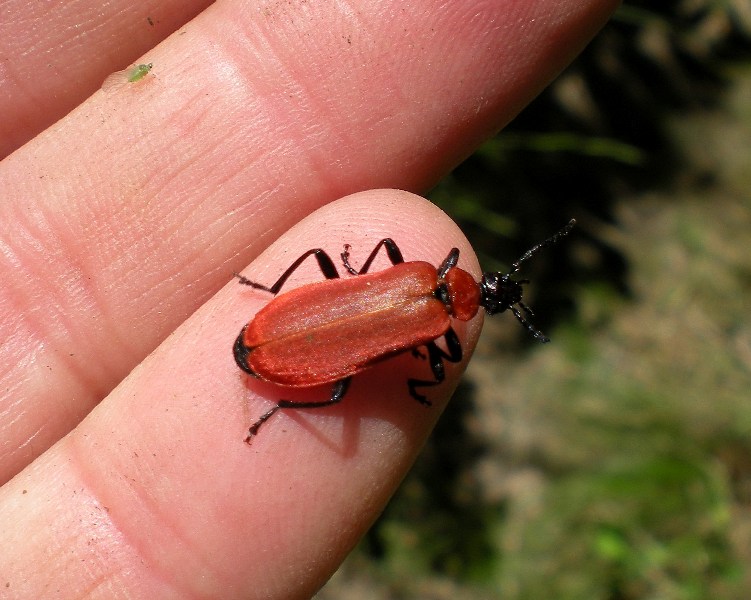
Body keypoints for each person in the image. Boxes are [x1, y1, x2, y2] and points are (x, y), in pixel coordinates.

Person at [0, 1, 617, 597]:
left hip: (292, 334)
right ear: (469, 299)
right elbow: (422, 363)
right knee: (347, 386)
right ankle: (276, 372)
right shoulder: (438, 332)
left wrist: (363, 278)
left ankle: (273, 324)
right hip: (286, 339)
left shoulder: (425, 273)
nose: (489, 290)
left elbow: (381, 255)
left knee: (348, 356)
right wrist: (420, 380)